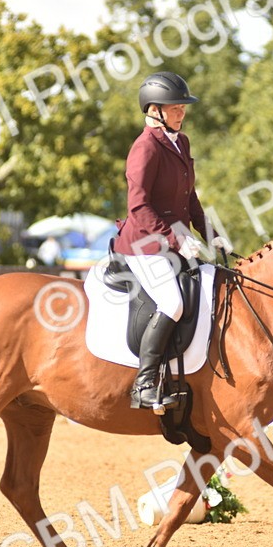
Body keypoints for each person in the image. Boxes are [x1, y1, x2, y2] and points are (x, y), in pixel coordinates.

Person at [113, 71, 229, 409]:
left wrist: (211, 234)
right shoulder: (145, 148)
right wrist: (175, 240)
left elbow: (189, 198)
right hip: (143, 245)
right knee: (172, 303)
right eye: (175, 108)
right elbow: (138, 207)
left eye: (182, 107)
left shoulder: (181, 142)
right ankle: (144, 384)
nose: (181, 113)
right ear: (154, 110)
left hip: (173, 242)